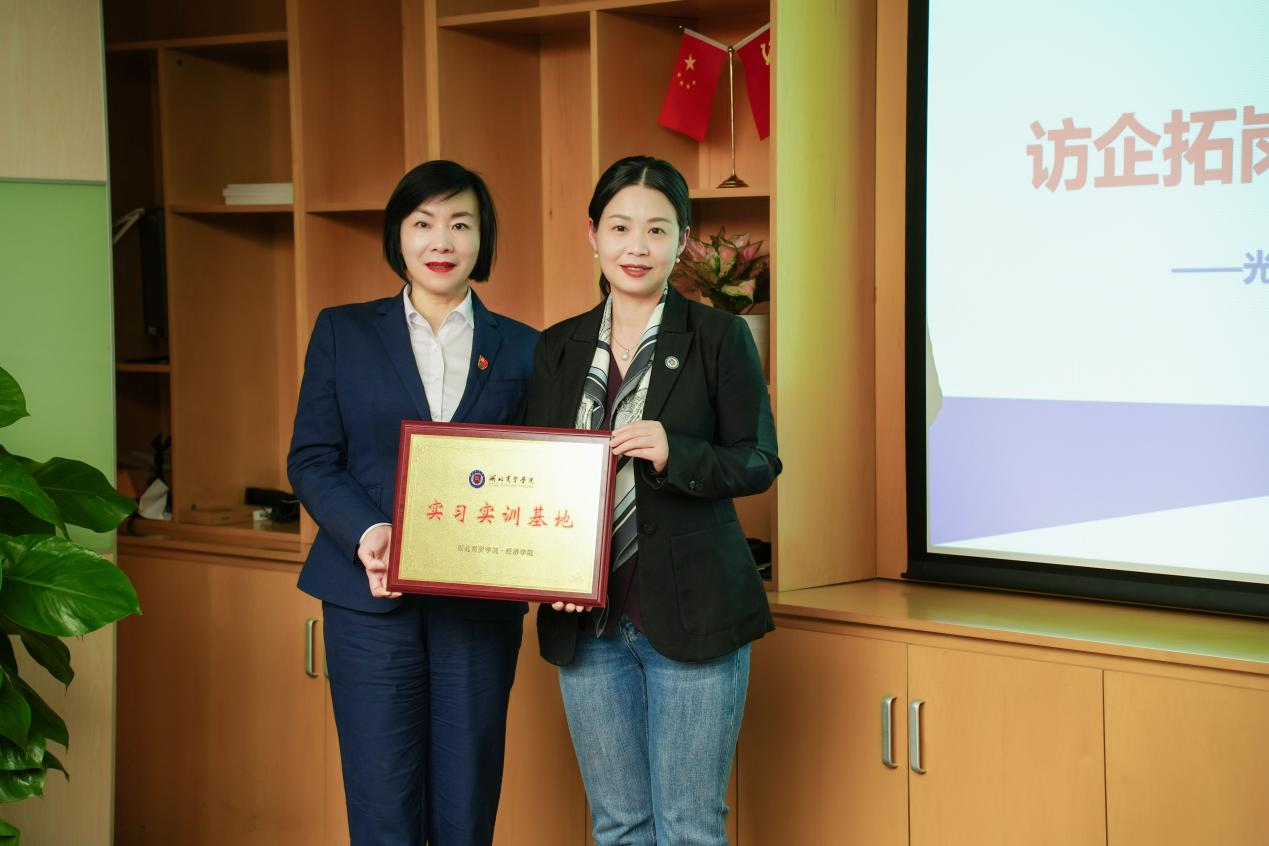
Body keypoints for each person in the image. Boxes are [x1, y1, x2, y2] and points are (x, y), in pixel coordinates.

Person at [526, 155, 781, 845]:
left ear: (682, 240)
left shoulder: (719, 336)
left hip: (693, 614)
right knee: (618, 826)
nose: (636, 246)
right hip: (587, 623)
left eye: (656, 229)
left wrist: (677, 453)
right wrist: (546, 572)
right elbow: (537, 473)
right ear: (593, 235)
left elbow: (758, 460)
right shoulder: (556, 347)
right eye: (619, 228)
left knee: (689, 827)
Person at [287, 160, 537, 846]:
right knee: (382, 805)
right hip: (369, 601)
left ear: (483, 239)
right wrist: (368, 530)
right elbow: (312, 458)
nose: (441, 241)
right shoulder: (342, 331)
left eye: (461, 224)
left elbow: (536, 472)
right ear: (397, 234)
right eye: (423, 223)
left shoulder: (524, 347)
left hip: (477, 606)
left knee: (466, 807)